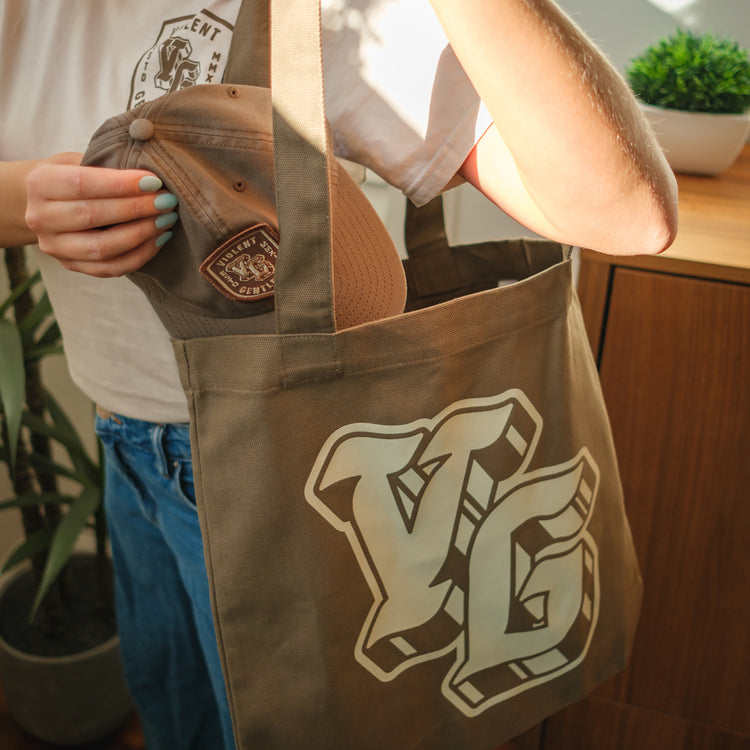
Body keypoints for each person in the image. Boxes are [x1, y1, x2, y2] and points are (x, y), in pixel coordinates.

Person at [0, 1, 678, 748]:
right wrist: (32, 195)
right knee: (176, 720)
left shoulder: (326, 12)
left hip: (290, 466)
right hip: (124, 446)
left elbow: (628, 215)